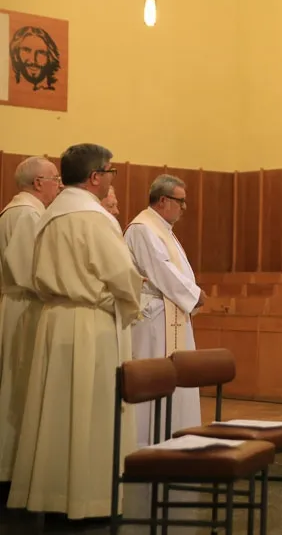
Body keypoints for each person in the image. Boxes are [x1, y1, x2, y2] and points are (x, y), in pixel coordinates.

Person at [6, 143, 142, 520]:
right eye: (110, 172)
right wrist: (131, 299)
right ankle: (87, 499)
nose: (112, 179)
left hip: (53, 318)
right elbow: (122, 274)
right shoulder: (94, 218)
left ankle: (50, 495)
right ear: (95, 177)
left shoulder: (49, 215)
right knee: (89, 409)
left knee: (55, 409)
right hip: (89, 322)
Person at [124, 174, 204, 448]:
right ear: (162, 201)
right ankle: (148, 443)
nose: (184, 207)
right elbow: (161, 270)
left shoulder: (161, 229)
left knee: (177, 379)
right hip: (154, 318)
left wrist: (190, 293)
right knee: (155, 380)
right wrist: (194, 294)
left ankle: (176, 437)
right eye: (180, 201)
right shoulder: (143, 229)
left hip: (170, 311)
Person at [0, 157, 62, 484]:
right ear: (38, 183)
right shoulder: (26, 214)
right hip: (24, 306)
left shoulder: (20, 211)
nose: (59, 185)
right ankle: (10, 469)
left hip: (19, 304)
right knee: (18, 387)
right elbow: (31, 272)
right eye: (55, 179)